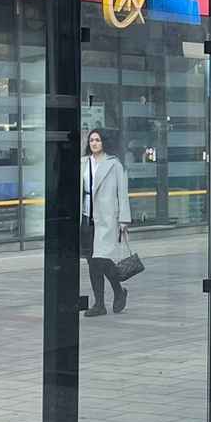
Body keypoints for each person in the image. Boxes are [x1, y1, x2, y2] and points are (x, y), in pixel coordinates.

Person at [79, 127, 133, 316]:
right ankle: (102, 302)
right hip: (86, 218)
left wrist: (124, 219)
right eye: (91, 140)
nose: (94, 143)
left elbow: (122, 193)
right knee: (93, 261)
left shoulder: (114, 164)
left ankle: (113, 295)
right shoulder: (83, 163)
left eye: (98, 140)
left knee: (100, 259)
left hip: (107, 218)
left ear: (105, 143)